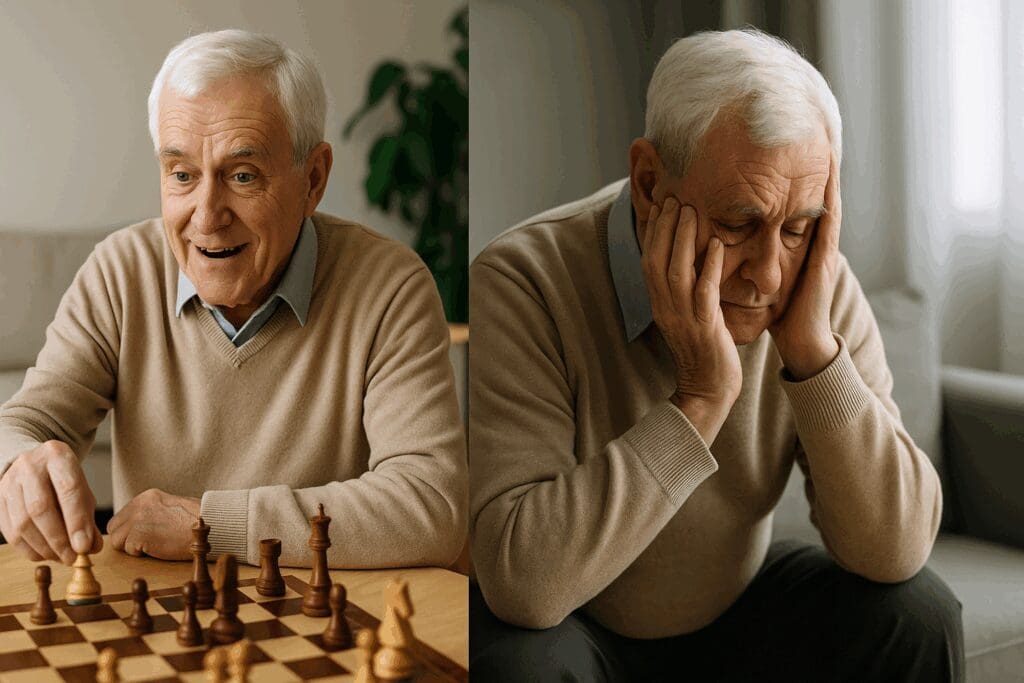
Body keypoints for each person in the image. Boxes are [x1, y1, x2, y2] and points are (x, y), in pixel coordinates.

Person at [469, 29, 963, 681]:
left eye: (796, 227)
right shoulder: (523, 279)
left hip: (739, 612)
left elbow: (897, 549)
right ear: (648, 182)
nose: (767, 275)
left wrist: (813, 352)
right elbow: (524, 583)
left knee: (918, 614)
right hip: (578, 624)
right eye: (738, 223)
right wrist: (699, 400)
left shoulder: (811, 283)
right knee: (519, 665)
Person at [0, 30, 466, 570]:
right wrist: (17, 464)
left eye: (242, 176)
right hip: (161, 621)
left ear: (313, 179)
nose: (205, 215)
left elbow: (431, 507)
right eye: (181, 175)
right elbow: (25, 423)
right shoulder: (118, 271)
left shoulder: (392, 287)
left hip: (327, 622)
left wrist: (212, 526)